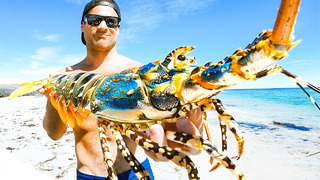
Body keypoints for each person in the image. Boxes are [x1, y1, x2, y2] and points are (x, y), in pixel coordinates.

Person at [39, 0, 204, 179]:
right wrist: (52, 98)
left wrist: (181, 137)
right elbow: (54, 134)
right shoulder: (64, 77)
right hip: (87, 175)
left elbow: (163, 126)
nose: (103, 26)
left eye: (111, 22)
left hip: (136, 172)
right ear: (82, 25)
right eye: (95, 20)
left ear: (118, 28)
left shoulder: (140, 72)